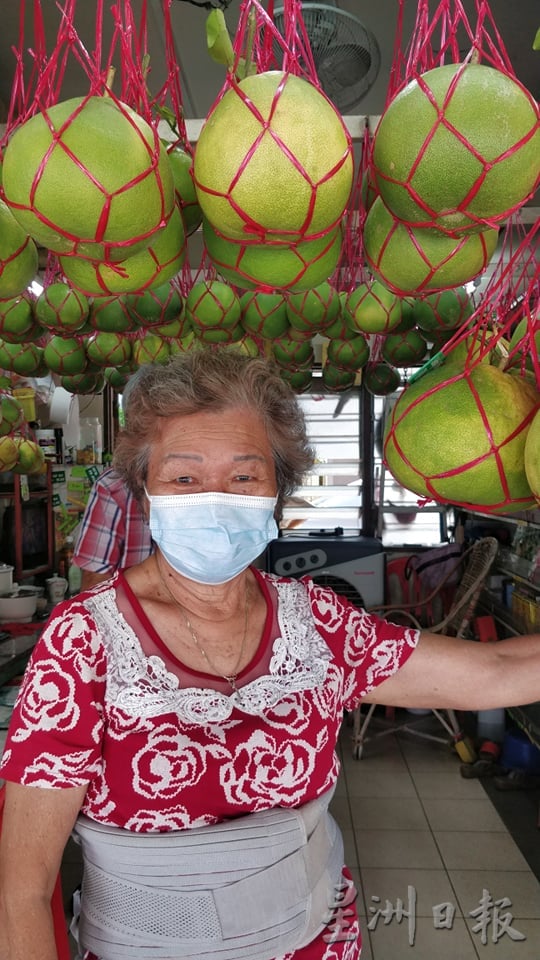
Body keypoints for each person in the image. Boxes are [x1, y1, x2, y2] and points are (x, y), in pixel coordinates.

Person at [0, 348, 539, 960]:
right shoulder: (83, 641)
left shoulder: (316, 623)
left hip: (318, 943)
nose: (215, 498)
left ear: (276, 496)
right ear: (144, 494)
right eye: (183, 477)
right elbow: (22, 888)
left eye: (244, 476)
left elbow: (497, 670)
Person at [72, 466, 153, 589]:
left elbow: (95, 578)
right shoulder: (115, 485)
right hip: (132, 602)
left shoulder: (114, 485)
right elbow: (96, 580)